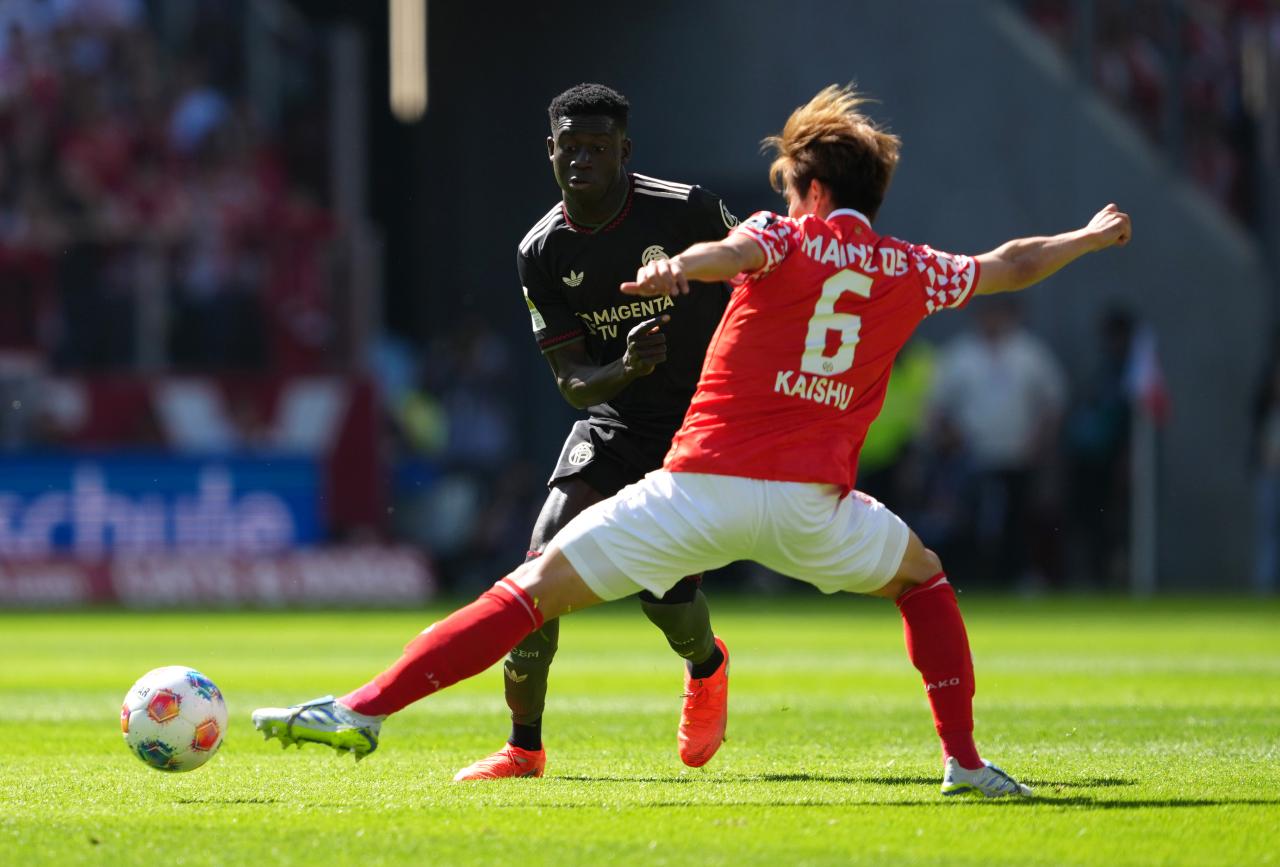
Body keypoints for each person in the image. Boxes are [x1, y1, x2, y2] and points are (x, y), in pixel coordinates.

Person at [253, 85, 1131, 798]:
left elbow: (735, 251)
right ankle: (966, 764)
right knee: (925, 578)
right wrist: (1092, 238)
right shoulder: (911, 265)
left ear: (811, 190)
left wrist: (681, 264)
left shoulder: (782, 235)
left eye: (789, 184)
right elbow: (1011, 261)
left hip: (697, 491)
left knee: (528, 590)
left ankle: (363, 709)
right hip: (815, 513)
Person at [467, 83, 739, 780]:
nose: (582, 158)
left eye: (597, 146)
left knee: (665, 596)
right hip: (616, 421)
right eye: (570, 146)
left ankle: (706, 666)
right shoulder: (541, 249)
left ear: (625, 151)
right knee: (538, 562)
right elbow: (572, 381)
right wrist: (627, 362)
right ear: (550, 151)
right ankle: (523, 746)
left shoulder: (687, 210)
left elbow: (762, 277)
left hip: (701, 424)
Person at [930, 298, 1067, 588]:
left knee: (1019, 519)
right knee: (970, 520)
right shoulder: (960, 354)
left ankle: (1017, 576)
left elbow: (1053, 401)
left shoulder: (1029, 352)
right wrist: (950, 438)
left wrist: (1040, 442)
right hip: (972, 458)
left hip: (1018, 456)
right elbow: (938, 405)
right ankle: (975, 578)